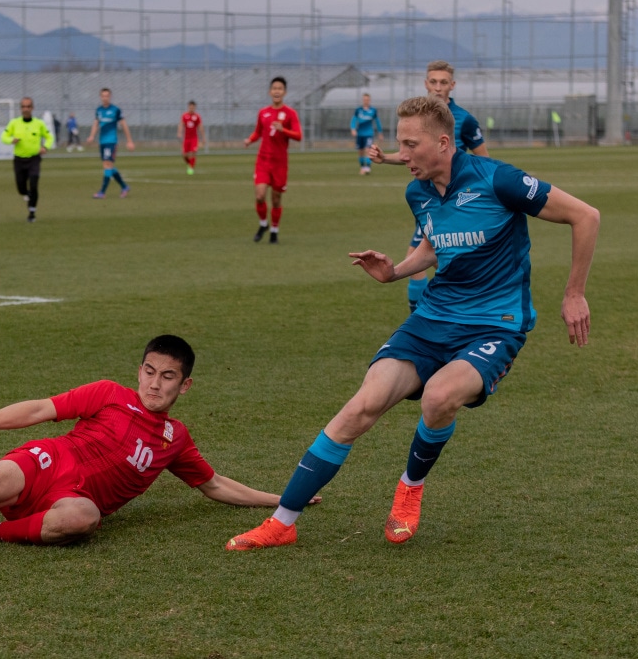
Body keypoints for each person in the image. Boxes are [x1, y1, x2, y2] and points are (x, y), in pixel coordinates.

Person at [226, 95, 599, 551]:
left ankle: (410, 488)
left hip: (494, 325)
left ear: (443, 143)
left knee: (439, 398)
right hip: (432, 319)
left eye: (409, 144)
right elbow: (434, 245)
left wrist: (574, 292)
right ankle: (283, 522)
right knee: (362, 406)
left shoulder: (499, 179)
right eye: (398, 143)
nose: (400, 154)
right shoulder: (416, 191)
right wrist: (395, 271)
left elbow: (586, 215)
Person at [0, 335, 317, 546]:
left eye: (168, 377)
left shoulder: (176, 440)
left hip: (74, 500)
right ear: (139, 371)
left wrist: (282, 499)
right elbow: (41, 410)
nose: (155, 385)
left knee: (82, 522)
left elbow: (216, 486)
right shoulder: (110, 394)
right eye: (150, 372)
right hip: (49, 462)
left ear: (186, 385)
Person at [371, 60, 489, 313]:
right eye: (433, 82)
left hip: (454, 197)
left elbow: (484, 161)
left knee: (438, 256)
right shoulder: (417, 119)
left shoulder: (464, 120)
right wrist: (384, 158)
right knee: (425, 257)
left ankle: (451, 309)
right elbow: (410, 154)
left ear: (452, 85)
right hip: (427, 197)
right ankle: (425, 315)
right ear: (426, 84)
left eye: (443, 82)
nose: (438, 87)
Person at [245, 76, 302, 245]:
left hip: (280, 163)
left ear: (284, 92)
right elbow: (258, 132)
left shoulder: (290, 113)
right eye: (274, 88)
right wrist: (250, 140)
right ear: (270, 92)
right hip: (263, 160)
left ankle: (274, 231)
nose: (277, 91)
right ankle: (263, 224)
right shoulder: (263, 112)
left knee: (276, 199)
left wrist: (283, 129)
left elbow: (299, 136)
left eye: (280, 88)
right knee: (260, 195)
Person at [1, 97, 52, 223]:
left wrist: (45, 147)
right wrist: (10, 140)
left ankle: (32, 213)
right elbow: (4, 136)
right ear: (21, 108)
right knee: (21, 188)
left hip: (34, 159)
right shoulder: (14, 123)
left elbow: (49, 137)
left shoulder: (39, 123)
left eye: (28, 106)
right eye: (23, 107)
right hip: (19, 160)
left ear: (32, 108)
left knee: (34, 184)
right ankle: (27, 194)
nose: (26, 109)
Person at [86, 88, 135, 199]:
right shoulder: (98, 110)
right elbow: (96, 124)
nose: (105, 98)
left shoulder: (116, 110)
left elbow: (124, 125)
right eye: (103, 96)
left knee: (107, 165)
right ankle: (124, 186)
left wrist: (129, 141)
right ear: (100, 97)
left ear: (110, 97)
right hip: (102, 142)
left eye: (107, 96)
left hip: (111, 142)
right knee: (109, 166)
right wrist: (92, 136)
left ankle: (102, 192)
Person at [350, 93, 382, 175]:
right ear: (363, 100)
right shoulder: (358, 110)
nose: (366, 101)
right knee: (360, 151)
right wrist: (353, 129)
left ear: (369, 100)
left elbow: (377, 122)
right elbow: (353, 120)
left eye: (367, 99)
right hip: (360, 134)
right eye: (364, 99)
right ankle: (362, 167)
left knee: (368, 150)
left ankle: (367, 168)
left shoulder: (373, 110)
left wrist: (380, 132)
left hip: (369, 134)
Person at [178, 100, 204, 175]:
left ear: (195, 107)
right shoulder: (184, 116)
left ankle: (191, 168)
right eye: (190, 107)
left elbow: (200, 127)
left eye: (193, 107)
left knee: (193, 153)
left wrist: (203, 137)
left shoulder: (197, 116)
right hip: (186, 138)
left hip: (194, 138)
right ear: (188, 107)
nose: (191, 108)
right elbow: (181, 125)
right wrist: (179, 133)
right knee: (184, 155)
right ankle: (190, 164)